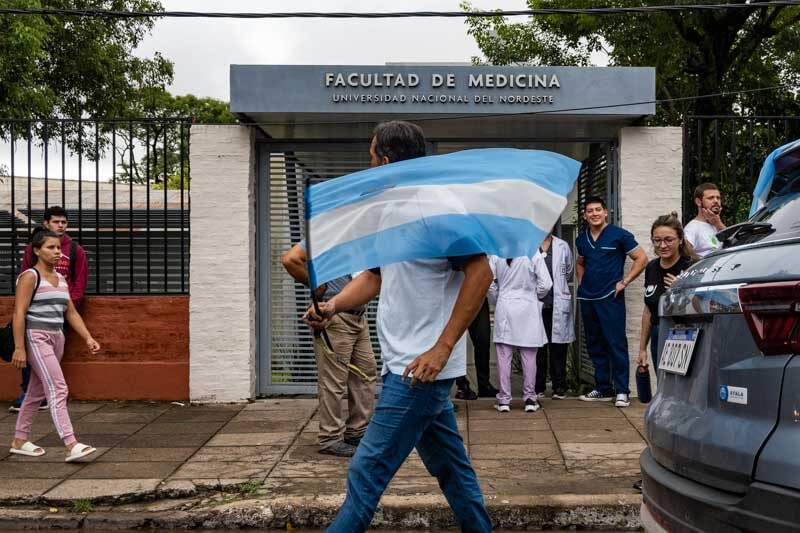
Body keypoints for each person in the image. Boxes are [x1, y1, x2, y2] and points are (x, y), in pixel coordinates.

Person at [305, 120, 493, 533]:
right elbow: (374, 276)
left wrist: (442, 348)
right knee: (452, 471)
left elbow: (480, 272)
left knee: (366, 470)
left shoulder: (436, 206)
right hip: (405, 364)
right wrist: (333, 305)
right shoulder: (388, 210)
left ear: (386, 160)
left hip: (420, 368)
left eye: (371, 156)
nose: (369, 164)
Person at [9, 230, 99, 462]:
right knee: (58, 388)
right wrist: (19, 348)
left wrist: (88, 337)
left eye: (59, 247)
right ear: (37, 251)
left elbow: (70, 311)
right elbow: (19, 313)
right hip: (36, 337)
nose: (57, 251)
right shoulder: (30, 276)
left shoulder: (60, 279)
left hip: (57, 337)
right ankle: (71, 444)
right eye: (51, 247)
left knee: (36, 391)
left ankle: (20, 440)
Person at [282, 244, 377, 457]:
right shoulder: (327, 231)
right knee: (333, 381)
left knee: (365, 374)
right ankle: (330, 438)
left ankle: (357, 432)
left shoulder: (359, 236)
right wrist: (316, 286)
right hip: (334, 317)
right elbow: (290, 259)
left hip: (359, 316)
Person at [10, 206, 89, 413]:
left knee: (51, 355)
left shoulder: (74, 249)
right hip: (35, 312)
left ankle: (39, 394)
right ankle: (31, 392)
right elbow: (26, 275)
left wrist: (67, 303)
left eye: (63, 222)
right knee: (30, 351)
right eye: (56, 222)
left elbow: (79, 281)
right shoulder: (33, 249)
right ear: (46, 224)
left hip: (59, 312)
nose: (60, 225)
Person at [576, 196, 648, 407]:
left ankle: (622, 390)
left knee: (615, 342)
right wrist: (582, 281)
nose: (594, 213)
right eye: (590, 211)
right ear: (585, 215)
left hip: (611, 297)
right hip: (588, 298)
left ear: (606, 212)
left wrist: (624, 282)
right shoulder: (582, 240)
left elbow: (642, 259)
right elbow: (580, 262)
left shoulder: (619, 235)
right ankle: (603, 388)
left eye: (598, 209)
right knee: (594, 343)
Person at [489, 254, 552, 413]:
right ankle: (530, 398)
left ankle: (504, 400)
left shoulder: (497, 254)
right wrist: (533, 294)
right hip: (528, 307)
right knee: (529, 356)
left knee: (504, 356)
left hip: (505, 306)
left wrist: (499, 297)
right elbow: (546, 284)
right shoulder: (533, 252)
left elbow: (488, 283)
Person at [637, 213, 698, 373]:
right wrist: (642, 349)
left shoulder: (692, 268)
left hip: (685, 335)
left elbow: (702, 306)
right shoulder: (651, 268)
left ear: (680, 240)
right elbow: (648, 311)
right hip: (658, 334)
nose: (662, 245)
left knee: (682, 389)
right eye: (657, 240)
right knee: (663, 386)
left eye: (668, 240)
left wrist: (682, 290)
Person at [535, 231, 575, 400]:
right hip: (537, 303)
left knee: (558, 347)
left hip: (558, 302)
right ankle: (539, 386)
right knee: (538, 348)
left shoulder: (562, 245)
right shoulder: (529, 245)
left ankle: (559, 386)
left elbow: (569, 272)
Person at [455, 300, 499, 400]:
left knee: (483, 340)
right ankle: (461, 384)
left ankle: (484, 385)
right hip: (455, 297)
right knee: (456, 343)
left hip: (478, 298)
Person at [683, 182, 725, 258]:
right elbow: (685, 254)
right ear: (698, 202)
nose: (716, 201)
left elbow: (733, 243)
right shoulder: (692, 228)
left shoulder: (718, 224)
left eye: (718, 198)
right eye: (711, 198)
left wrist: (718, 223)